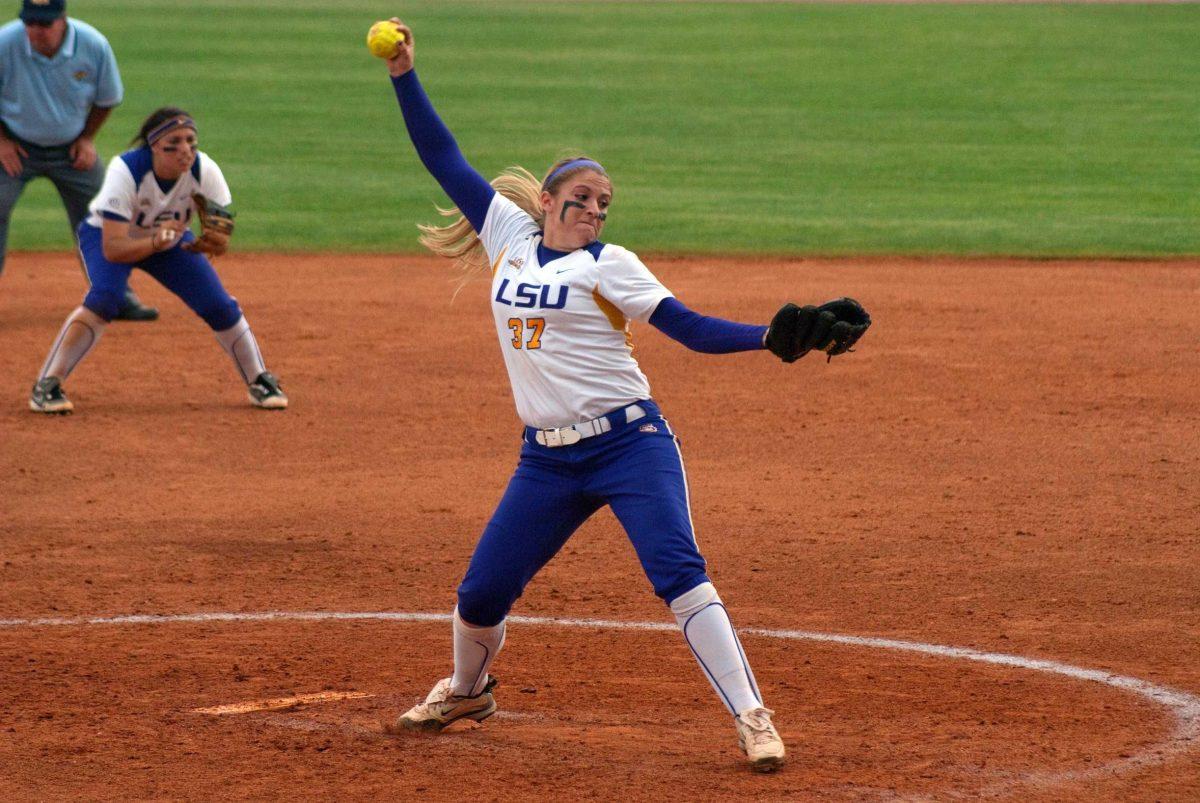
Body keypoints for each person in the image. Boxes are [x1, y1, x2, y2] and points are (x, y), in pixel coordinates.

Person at [380, 19, 868, 772]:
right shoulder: (507, 233)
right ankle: (468, 690)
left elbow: (690, 328)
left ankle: (753, 716)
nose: (596, 209)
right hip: (545, 461)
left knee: (678, 570)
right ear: (547, 198)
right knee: (480, 593)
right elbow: (441, 156)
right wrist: (404, 74)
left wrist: (770, 337)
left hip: (628, 444)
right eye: (583, 196)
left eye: (605, 202)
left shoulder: (612, 265)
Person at [28, 107, 288, 414]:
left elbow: (221, 237)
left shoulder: (205, 170)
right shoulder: (127, 170)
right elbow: (113, 249)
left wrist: (214, 241)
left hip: (170, 241)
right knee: (105, 299)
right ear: (154, 147)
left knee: (218, 305)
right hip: (108, 237)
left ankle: (259, 379)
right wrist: (153, 240)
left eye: (191, 141)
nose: (185, 151)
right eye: (174, 143)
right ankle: (48, 384)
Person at [0, 0, 157, 320]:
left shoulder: (93, 45)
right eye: (30, 23)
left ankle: (116, 295)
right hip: (15, 148)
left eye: (44, 24)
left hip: (70, 149)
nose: (35, 31)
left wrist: (86, 138)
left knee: (102, 214)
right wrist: (2, 141)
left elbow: (107, 98)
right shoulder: (5, 43)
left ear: (63, 19)